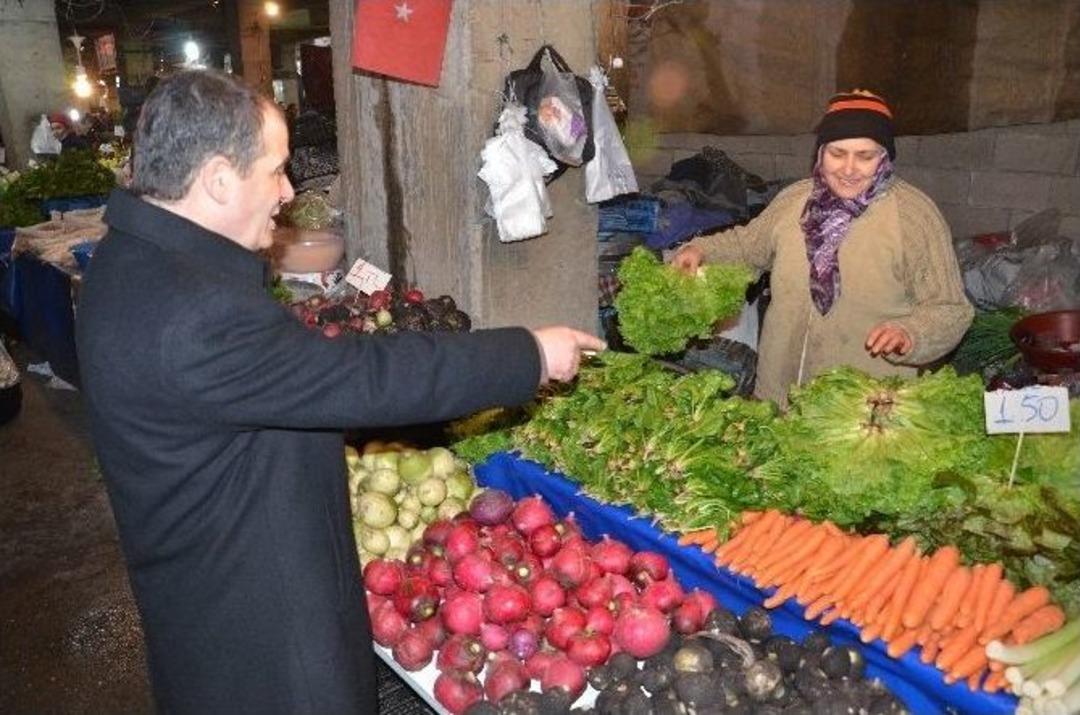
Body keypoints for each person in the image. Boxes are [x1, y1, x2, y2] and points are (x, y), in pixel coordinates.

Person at [75, 70, 604, 714]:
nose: (289, 191)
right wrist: (528, 353)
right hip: (260, 641)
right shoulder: (194, 311)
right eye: (273, 171)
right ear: (217, 179)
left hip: (201, 591)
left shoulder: (129, 261)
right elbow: (363, 377)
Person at [671, 90, 974, 407]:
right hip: (778, 394)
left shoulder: (913, 216)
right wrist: (702, 251)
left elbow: (951, 310)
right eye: (837, 153)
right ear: (820, 153)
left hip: (860, 408)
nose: (849, 168)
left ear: (884, 157)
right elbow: (747, 246)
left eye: (865, 156)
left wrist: (911, 333)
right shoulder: (794, 201)